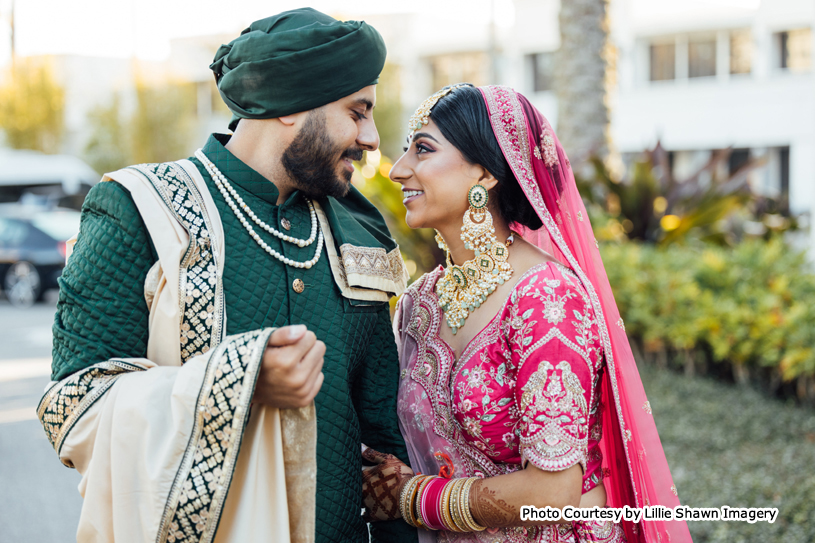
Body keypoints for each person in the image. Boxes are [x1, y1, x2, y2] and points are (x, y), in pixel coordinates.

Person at [37, 8, 417, 543]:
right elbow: (73, 408)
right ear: (290, 104)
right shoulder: (140, 209)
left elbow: (387, 446)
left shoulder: (359, 234)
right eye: (357, 112)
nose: (372, 137)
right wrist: (238, 381)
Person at [360, 84, 692, 542]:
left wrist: (413, 498)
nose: (398, 171)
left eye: (423, 150)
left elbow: (553, 492)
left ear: (486, 173)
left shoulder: (546, 298)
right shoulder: (419, 304)